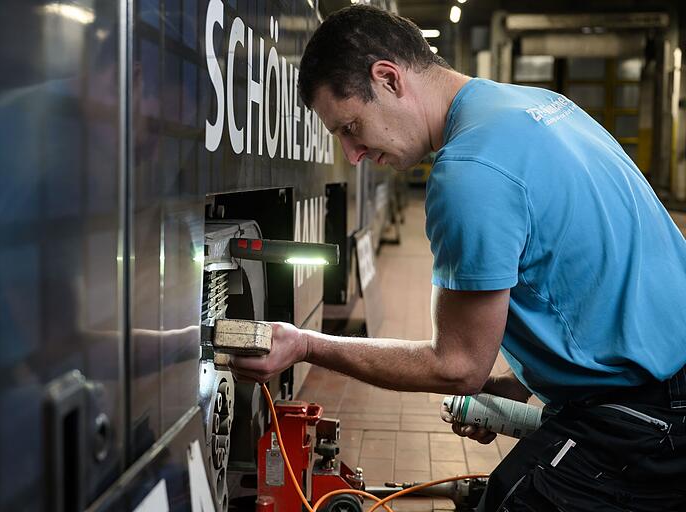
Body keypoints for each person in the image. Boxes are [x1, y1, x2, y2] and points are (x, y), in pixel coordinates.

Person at [229, 5, 686, 510]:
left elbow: (455, 367)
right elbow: (600, 270)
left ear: (388, 78)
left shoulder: (469, 171)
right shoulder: (543, 106)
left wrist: (303, 345)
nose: (352, 154)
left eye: (350, 126)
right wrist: (519, 382)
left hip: (644, 422)